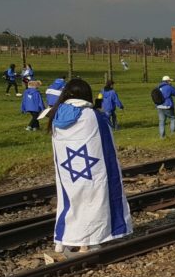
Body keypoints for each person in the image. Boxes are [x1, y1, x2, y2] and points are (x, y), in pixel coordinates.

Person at [46, 78, 132, 262]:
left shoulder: (55, 115)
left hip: (68, 170)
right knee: (94, 202)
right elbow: (106, 143)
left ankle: (64, 240)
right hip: (93, 168)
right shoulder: (93, 115)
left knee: (70, 202)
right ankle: (89, 241)